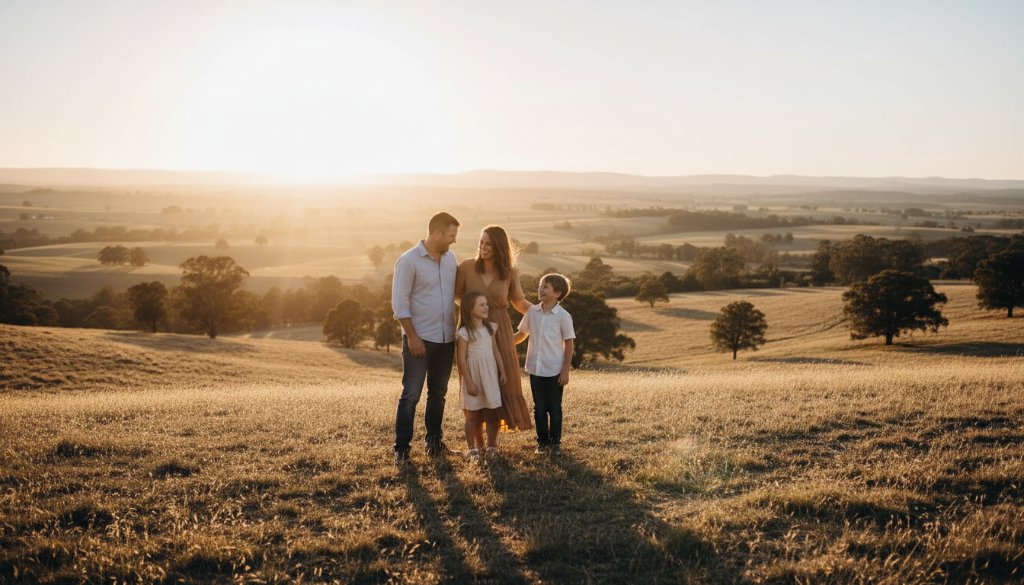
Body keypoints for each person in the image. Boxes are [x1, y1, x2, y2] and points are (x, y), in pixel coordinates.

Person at [391, 212, 460, 463]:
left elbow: (456, 295)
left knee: (438, 393)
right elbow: (399, 304)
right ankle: (401, 448)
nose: (454, 241)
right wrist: (412, 337)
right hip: (419, 339)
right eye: (451, 236)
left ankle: (433, 443)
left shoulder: (451, 259)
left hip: (446, 339)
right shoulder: (408, 261)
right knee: (411, 394)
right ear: (437, 233)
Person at [455, 225, 533, 434]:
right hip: (472, 329)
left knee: (502, 379)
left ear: (499, 246)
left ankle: (492, 443)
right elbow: (455, 296)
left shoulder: (509, 272)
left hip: (501, 329)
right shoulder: (466, 267)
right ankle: (477, 442)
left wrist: (543, 314)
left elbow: (518, 301)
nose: (483, 247)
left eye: (488, 243)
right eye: (481, 242)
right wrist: (472, 313)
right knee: (476, 379)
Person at [514, 273, 575, 454]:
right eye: (540, 285)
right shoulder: (532, 312)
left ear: (557, 293)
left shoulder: (563, 316)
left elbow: (569, 344)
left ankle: (555, 444)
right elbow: (521, 335)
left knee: (554, 408)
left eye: (545, 287)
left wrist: (565, 371)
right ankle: (542, 444)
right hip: (536, 369)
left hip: (555, 369)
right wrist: (501, 343)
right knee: (539, 408)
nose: (540, 289)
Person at [455, 291, 507, 460]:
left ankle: (492, 446)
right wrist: (468, 382)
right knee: (473, 415)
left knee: (493, 413)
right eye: (481, 304)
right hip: (474, 376)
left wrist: (502, 370)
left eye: (486, 304)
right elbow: (461, 360)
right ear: (470, 309)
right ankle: (473, 449)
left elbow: (496, 351)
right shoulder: (464, 332)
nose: (486, 307)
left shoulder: (490, 328)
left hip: (490, 375)